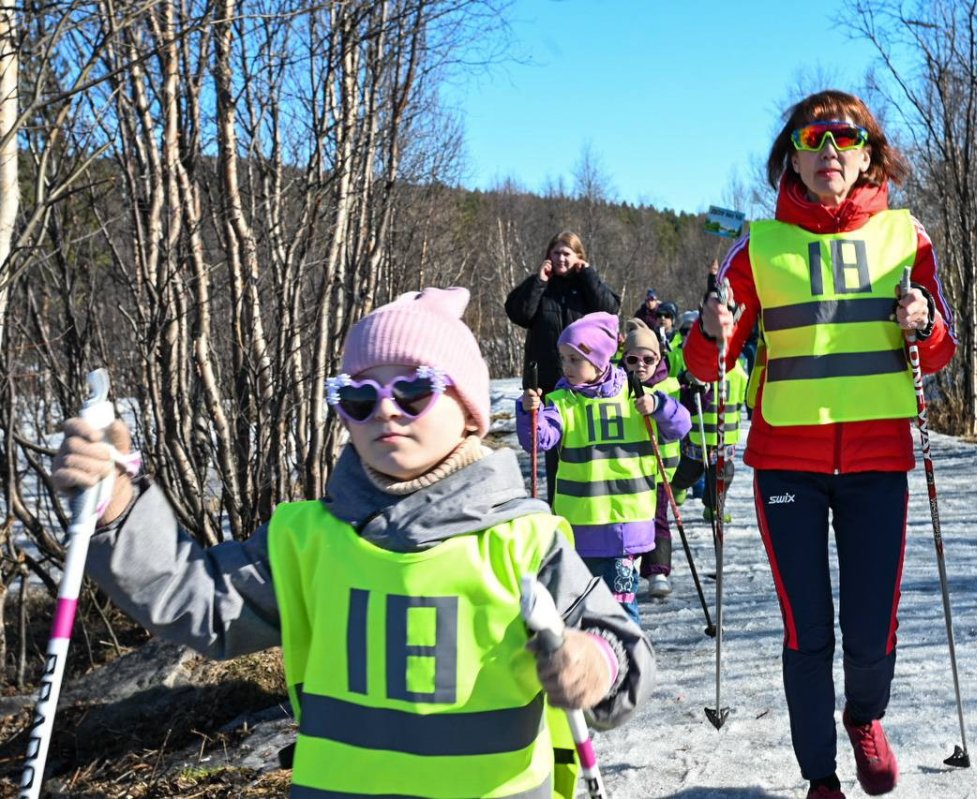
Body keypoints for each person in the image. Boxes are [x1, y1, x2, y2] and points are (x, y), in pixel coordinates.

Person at [53, 288, 655, 799]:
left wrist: (592, 664)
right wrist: (118, 510)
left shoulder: (524, 542)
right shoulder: (308, 542)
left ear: (471, 414)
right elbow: (196, 599)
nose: (386, 412)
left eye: (414, 391)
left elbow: (624, 654)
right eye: (359, 398)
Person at [684, 90, 957, 799]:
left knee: (870, 630)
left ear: (869, 154)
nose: (831, 151)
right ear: (793, 158)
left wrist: (922, 319)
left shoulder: (906, 237)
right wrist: (713, 328)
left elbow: (941, 347)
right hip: (787, 465)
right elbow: (705, 362)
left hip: (877, 462)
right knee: (809, 630)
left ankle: (864, 715)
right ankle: (820, 777)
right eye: (815, 139)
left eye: (848, 138)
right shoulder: (761, 244)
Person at [516, 312, 689, 625]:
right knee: (581, 608)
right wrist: (530, 412)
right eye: (563, 358)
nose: (565, 367)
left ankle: (628, 665)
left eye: (573, 359)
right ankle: (593, 666)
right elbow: (539, 440)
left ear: (598, 361)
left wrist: (660, 406)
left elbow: (680, 426)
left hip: (625, 531)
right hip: (579, 530)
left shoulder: (637, 396)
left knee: (622, 608)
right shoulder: (562, 402)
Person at [506, 232, 622, 502]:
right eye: (556, 253)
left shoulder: (585, 286)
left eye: (566, 253)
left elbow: (610, 309)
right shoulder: (541, 286)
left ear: (578, 257)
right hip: (548, 382)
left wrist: (589, 275)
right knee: (555, 450)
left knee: (587, 448)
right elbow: (519, 313)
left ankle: (594, 503)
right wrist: (538, 281)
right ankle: (559, 508)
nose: (560, 258)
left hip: (586, 385)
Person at [621, 318, 682, 599]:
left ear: (658, 358)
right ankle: (627, 566)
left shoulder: (668, 384)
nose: (641, 365)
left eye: (648, 359)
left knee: (657, 519)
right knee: (630, 520)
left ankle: (658, 569)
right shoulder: (617, 387)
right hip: (628, 472)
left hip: (660, 470)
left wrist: (659, 407)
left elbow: (681, 420)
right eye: (633, 359)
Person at [671, 355, 749, 525]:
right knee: (689, 470)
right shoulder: (698, 365)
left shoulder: (738, 369)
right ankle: (677, 486)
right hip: (698, 434)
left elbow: (747, 394)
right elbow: (678, 388)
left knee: (722, 476)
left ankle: (713, 508)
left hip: (726, 435)